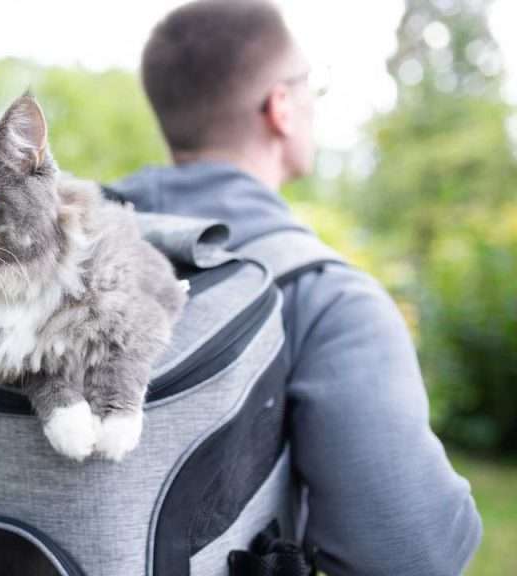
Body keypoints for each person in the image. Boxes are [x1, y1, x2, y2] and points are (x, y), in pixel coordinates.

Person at [106, 0, 483, 574]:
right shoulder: (327, 299)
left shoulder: (51, 253)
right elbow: (410, 551)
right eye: (312, 86)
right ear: (280, 105)